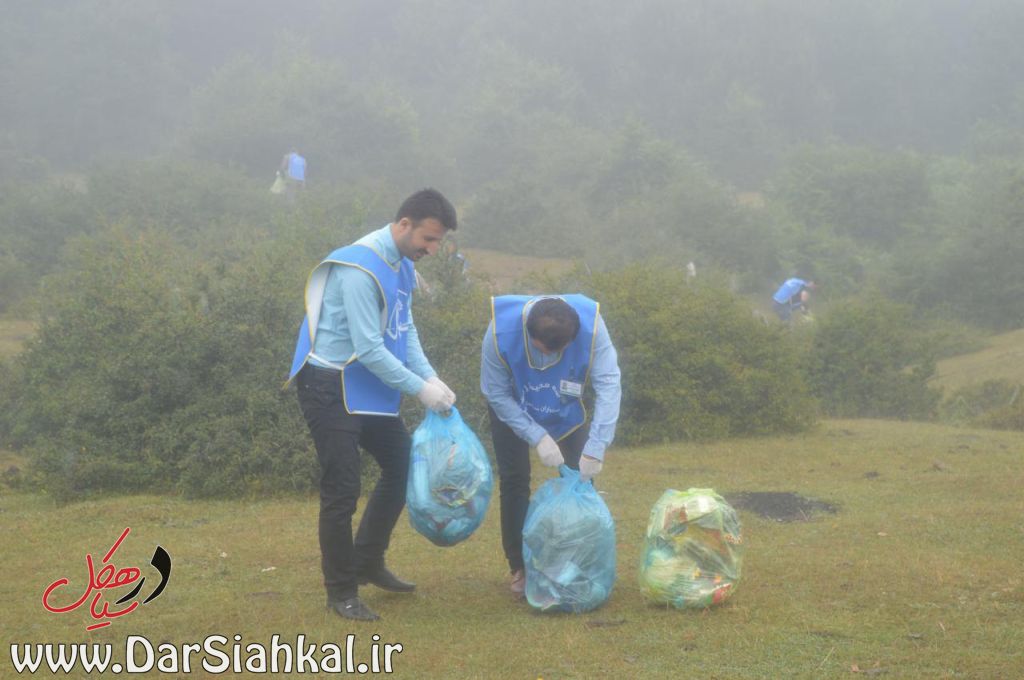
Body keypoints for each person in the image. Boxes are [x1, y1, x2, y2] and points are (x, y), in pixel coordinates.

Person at [287, 188, 459, 621]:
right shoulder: (359, 269)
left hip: (370, 387)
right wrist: (419, 390)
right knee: (342, 490)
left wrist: (430, 376)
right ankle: (341, 591)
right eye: (429, 239)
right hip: (331, 385)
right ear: (404, 224)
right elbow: (368, 347)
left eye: (438, 242)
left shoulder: (401, 263)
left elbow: (404, 328)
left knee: (403, 468)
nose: (432, 250)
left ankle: (367, 560)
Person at [480, 295, 621, 597]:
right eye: (544, 351)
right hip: (511, 409)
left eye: (562, 350)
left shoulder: (593, 328)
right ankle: (519, 566)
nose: (552, 358)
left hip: (566, 407)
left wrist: (597, 445)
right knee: (515, 480)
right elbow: (495, 392)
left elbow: (609, 384)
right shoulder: (499, 333)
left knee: (581, 480)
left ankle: (580, 562)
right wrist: (537, 436)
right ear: (529, 336)